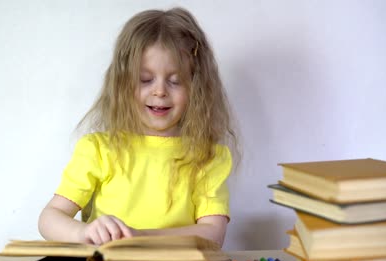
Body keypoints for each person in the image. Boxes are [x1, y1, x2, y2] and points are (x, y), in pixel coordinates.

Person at [38, 7, 238, 248]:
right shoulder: (99, 149)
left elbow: (213, 233)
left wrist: (137, 236)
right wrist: (85, 232)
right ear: (122, 84)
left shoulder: (207, 156)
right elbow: (49, 219)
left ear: (196, 88)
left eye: (175, 81)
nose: (160, 91)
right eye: (145, 79)